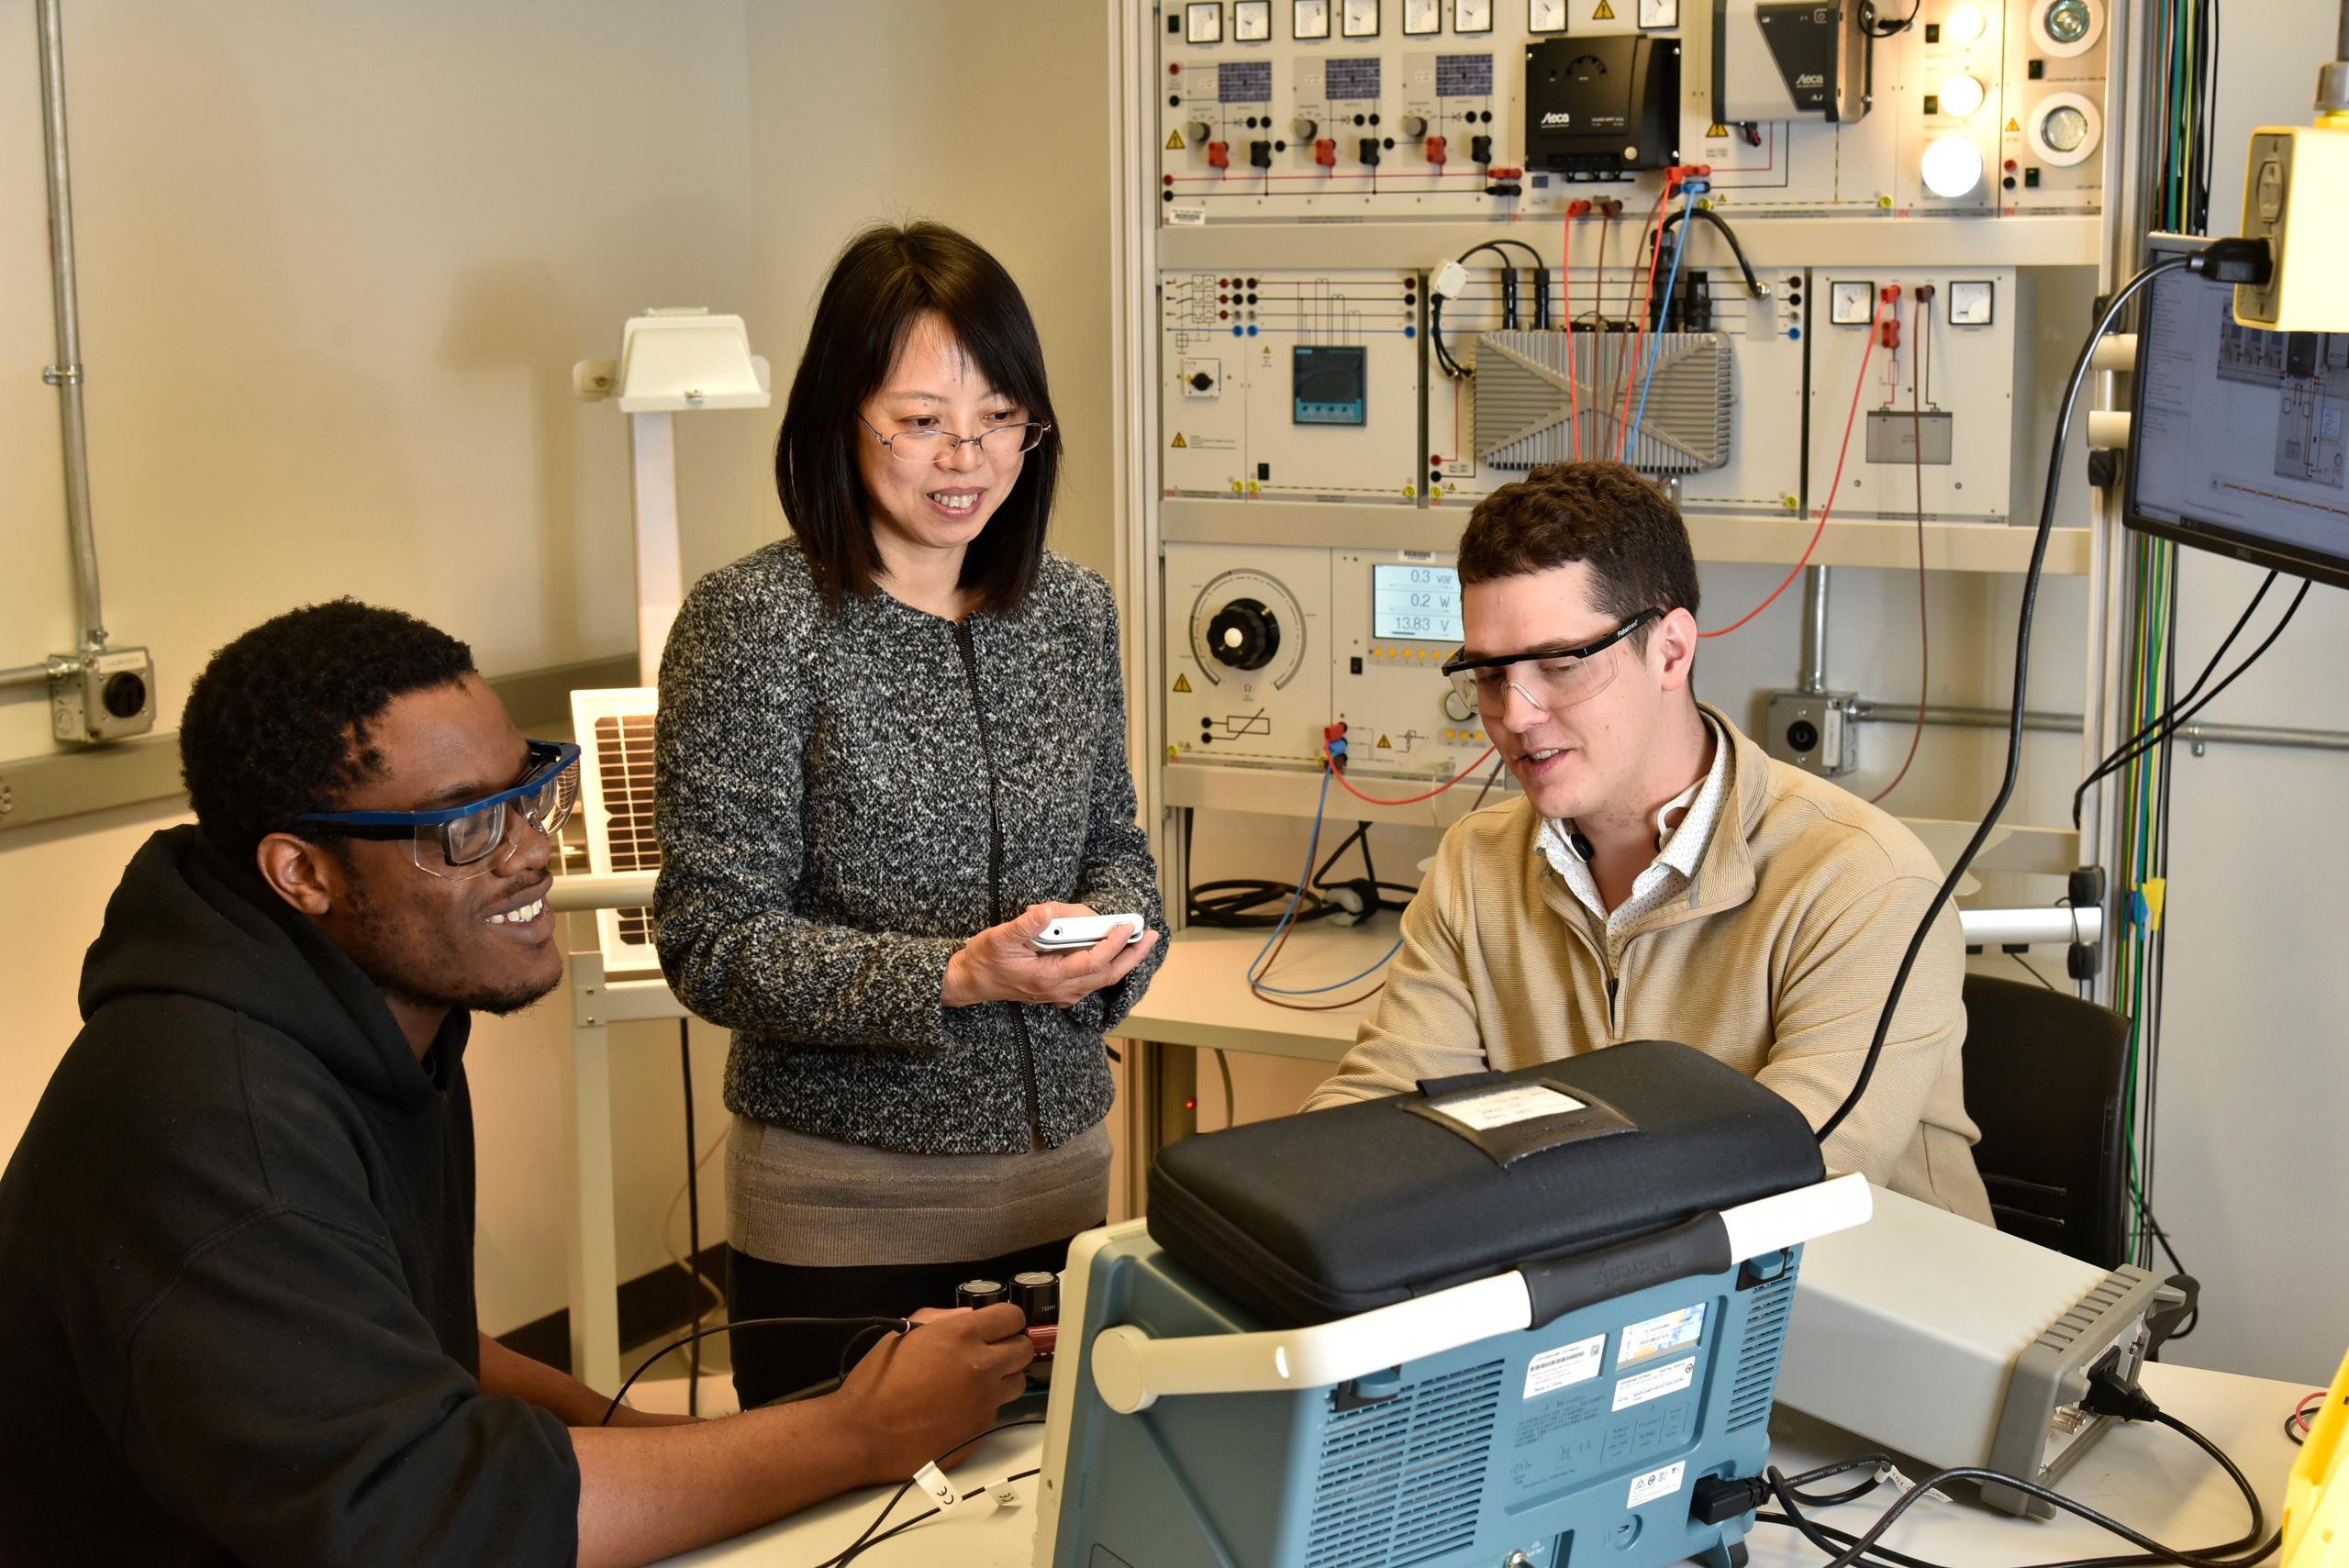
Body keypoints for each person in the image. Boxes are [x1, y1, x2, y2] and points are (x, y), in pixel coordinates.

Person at [0, 601, 1035, 1568]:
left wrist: (660, 1444)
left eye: (528, 791)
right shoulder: (216, 1120)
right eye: (465, 826)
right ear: (302, 872)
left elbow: (407, 1345)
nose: (536, 851)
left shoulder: (353, 1012)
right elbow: (423, 1509)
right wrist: (853, 1433)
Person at [654, 220, 1167, 1411]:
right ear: (843, 412)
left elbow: (1117, 849)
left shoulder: (1072, 613)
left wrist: (1115, 942)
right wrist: (959, 975)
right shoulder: (758, 626)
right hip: (849, 1216)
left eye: (1000, 418)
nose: (967, 456)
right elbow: (713, 939)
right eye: (922, 418)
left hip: (1060, 1191)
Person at [1305, 462, 1992, 1221]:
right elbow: (1380, 1110)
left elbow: (1784, 1186)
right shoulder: (1476, 864)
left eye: (1561, 665)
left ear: (1671, 650)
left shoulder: (1866, 881)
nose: (1517, 714)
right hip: (1598, 1304)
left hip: (1860, 1314)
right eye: (1491, 675)